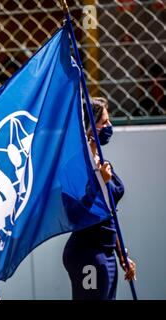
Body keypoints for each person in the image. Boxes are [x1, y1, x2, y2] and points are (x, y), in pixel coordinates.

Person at [63, 97, 137, 300]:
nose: (109, 126)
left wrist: (122, 253)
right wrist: (99, 183)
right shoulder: (75, 166)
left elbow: (110, 213)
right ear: (89, 127)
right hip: (88, 254)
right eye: (104, 122)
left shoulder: (103, 163)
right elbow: (75, 215)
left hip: (107, 253)